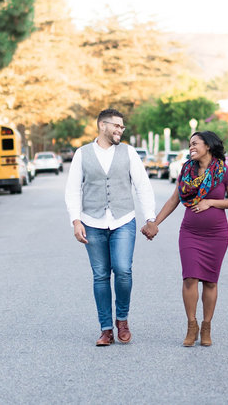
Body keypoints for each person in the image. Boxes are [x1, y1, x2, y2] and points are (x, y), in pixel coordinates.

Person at [65, 108, 158, 346]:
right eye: (116, 126)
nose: (120, 130)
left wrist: (150, 217)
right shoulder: (82, 153)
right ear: (102, 126)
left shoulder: (128, 152)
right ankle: (105, 329)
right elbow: (73, 189)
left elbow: (143, 186)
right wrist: (76, 221)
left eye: (122, 127)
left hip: (123, 220)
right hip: (92, 221)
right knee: (100, 276)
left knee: (123, 270)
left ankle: (122, 320)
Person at [143, 130, 228, 347]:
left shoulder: (225, 172)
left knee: (211, 281)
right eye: (190, 144)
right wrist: (154, 223)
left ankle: (206, 326)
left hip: (217, 235)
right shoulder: (187, 171)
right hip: (190, 233)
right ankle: (191, 325)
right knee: (189, 278)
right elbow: (173, 200)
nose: (191, 147)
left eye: (195, 143)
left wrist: (211, 202)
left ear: (208, 145)